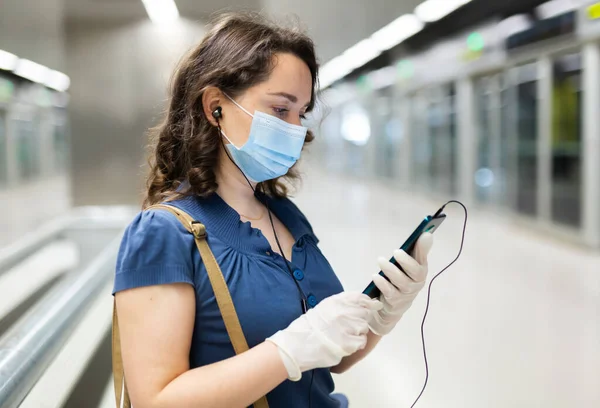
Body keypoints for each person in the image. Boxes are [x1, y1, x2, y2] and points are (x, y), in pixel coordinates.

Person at [113, 12, 434, 408]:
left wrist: (382, 313)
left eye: (301, 113)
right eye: (281, 110)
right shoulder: (164, 233)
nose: (296, 128)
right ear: (216, 107)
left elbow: (328, 358)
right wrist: (285, 352)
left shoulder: (285, 215)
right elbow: (157, 400)